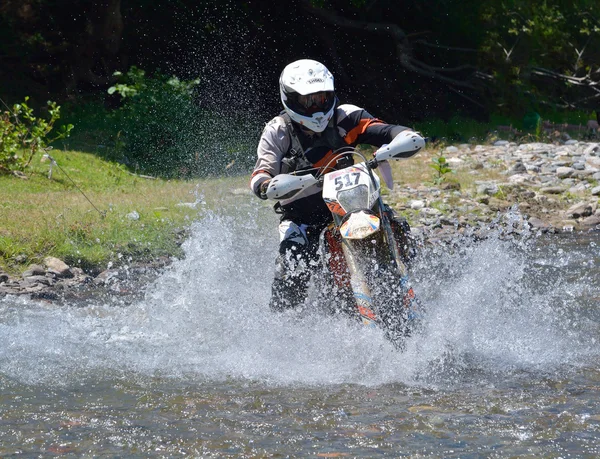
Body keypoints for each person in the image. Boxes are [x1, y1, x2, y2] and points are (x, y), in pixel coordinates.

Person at [250, 59, 419, 312]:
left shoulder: (347, 116)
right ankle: (282, 323)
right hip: (303, 215)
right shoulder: (278, 130)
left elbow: (386, 130)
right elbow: (261, 174)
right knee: (292, 260)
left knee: (398, 227)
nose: (316, 107)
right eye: (308, 101)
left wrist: (404, 138)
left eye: (322, 98)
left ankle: (410, 285)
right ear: (291, 99)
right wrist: (268, 186)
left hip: (355, 204)